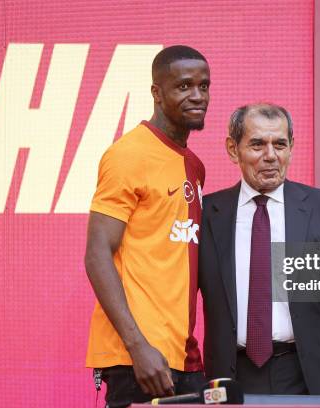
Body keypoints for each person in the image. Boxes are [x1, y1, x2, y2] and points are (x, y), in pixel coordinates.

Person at [198, 103, 320, 397]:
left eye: (279, 144)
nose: (270, 155)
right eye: (257, 144)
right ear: (233, 149)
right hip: (230, 379)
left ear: (291, 147)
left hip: (309, 378)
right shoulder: (207, 214)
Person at [85, 45, 210, 408]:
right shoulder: (128, 154)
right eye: (184, 86)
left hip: (183, 357)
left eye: (204, 86)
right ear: (156, 93)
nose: (197, 96)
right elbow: (96, 255)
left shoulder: (194, 165)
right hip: (138, 360)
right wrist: (138, 346)